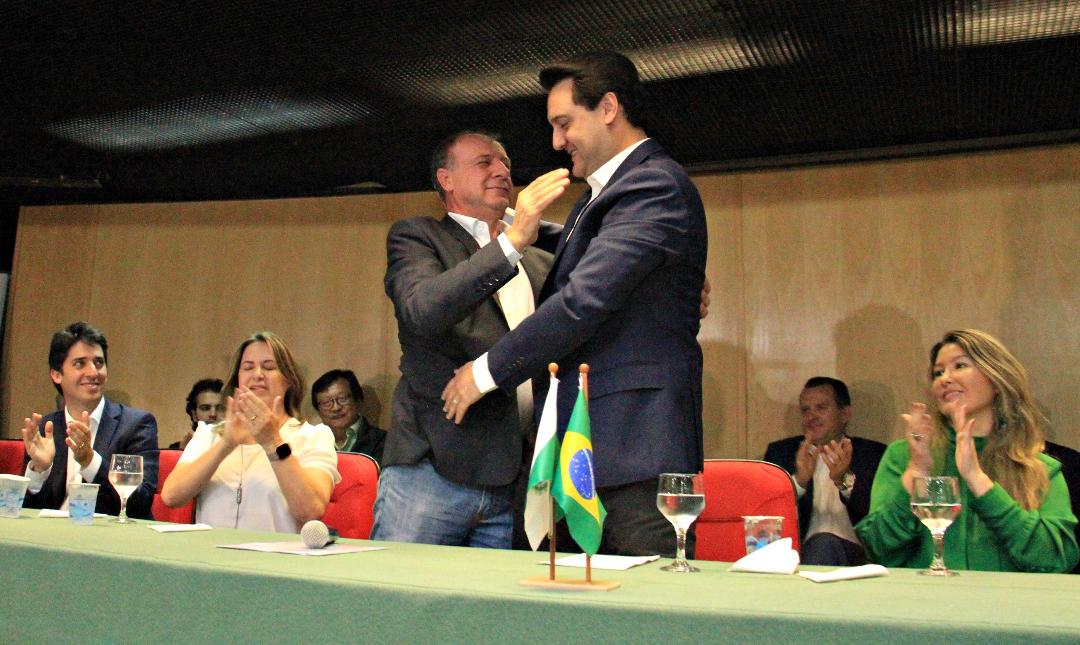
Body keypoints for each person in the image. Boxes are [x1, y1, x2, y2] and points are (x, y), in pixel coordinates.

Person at [442, 51, 708, 557]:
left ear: (608, 108)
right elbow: (584, 248)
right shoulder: (602, 197)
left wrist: (483, 373)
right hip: (594, 455)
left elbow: (581, 301)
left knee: (645, 604)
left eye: (564, 124)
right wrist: (514, 225)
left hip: (635, 453)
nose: (556, 141)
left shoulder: (653, 185)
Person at [371, 130, 569, 548]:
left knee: (493, 595)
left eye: (505, 164)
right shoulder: (418, 237)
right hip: (431, 472)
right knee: (401, 588)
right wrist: (511, 243)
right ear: (446, 179)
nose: (501, 171)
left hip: (515, 480)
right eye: (484, 162)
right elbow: (423, 309)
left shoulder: (540, 261)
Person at [856, 329, 1079, 572]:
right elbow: (878, 550)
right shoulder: (905, 454)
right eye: (938, 373)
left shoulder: (1037, 467)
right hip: (924, 595)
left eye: (960, 366)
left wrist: (978, 480)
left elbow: (1054, 560)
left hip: (1007, 596)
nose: (945, 379)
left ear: (996, 379)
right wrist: (917, 471)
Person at [160, 332, 340, 533]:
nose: (258, 375)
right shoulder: (209, 434)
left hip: (276, 552)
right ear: (238, 380)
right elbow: (171, 497)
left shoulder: (314, 436)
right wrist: (226, 444)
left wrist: (273, 442)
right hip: (210, 551)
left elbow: (310, 510)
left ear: (289, 379)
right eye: (247, 368)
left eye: (269, 367)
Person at [19, 321, 158, 518]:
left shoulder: (135, 425)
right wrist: (39, 470)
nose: (93, 372)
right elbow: (25, 511)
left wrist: (90, 461)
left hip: (108, 535)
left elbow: (140, 503)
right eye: (80, 363)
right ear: (57, 375)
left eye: (99, 363)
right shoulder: (46, 428)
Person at [764, 377, 885, 565]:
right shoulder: (781, 453)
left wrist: (844, 480)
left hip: (857, 558)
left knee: (824, 542)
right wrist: (799, 482)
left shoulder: (873, 454)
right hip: (798, 555)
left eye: (821, 408)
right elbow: (765, 515)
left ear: (844, 414)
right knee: (821, 544)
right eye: (806, 410)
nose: (811, 417)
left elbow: (878, 519)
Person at [311, 369, 386, 462]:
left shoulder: (384, 442)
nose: (336, 408)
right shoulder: (310, 444)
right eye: (326, 402)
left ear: (358, 400)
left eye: (342, 398)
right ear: (318, 410)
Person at [169, 378, 224, 450]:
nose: (213, 414)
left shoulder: (236, 447)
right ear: (194, 415)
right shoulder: (178, 448)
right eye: (205, 408)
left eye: (219, 408)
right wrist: (183, 451)